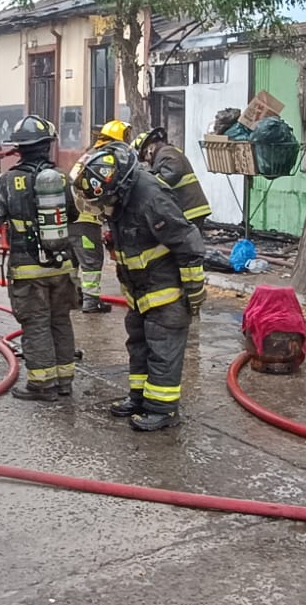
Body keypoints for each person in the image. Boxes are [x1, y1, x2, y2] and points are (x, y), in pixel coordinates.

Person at [73, 142, 207, 432]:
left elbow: (187, 243)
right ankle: (139, 398)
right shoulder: (122, 197)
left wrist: (194, 290)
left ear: (119, 187)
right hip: (138, 291)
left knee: (162, 350)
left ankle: (163, 410)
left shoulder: (151, 198)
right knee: (138, 346)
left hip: (165, 291)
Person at [0, 115, 80, 400]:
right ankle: (64, 382)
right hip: (62, 263)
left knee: (36, 322)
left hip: (27, 268)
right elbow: (72, 214)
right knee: (60, 319)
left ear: (19, 149)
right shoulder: (60, 177)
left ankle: (41, 385)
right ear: (47, 146)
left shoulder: (9, 180)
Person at [68, 119, 129, 314]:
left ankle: (70, 298)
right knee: (91, 261)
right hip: (85, 218)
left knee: (72, 260)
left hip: (71, 217)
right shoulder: (106, 158)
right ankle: (90, 302)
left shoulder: (91, 154)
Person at [132, 126, 213, 225]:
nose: (146, 160)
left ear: (150, 148)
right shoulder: (166, 153)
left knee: (188, 239)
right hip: (190, 207)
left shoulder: (166, 152)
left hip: (190, 208)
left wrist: (151, 182)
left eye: (144, 155)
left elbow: (172, 173)